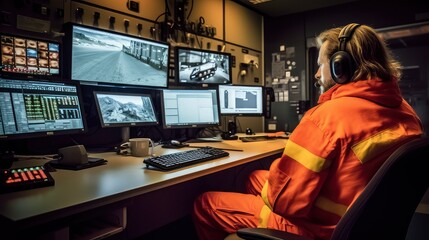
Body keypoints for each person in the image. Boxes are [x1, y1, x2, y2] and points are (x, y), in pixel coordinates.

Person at [192, 23, 423, 240]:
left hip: (320, 230)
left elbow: (285, 202)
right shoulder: (406, 112)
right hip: (364, 221)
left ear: (339, 67)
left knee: (206, 204)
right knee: (252, 177)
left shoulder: (327, 117)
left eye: (320, 65)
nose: (316, 74)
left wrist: (279, 169)